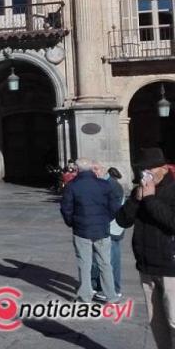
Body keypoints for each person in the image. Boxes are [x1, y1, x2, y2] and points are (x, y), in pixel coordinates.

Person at [117, 148, 175, 347]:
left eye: (147, 171)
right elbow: (123, 220)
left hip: (171, 268)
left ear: (163, 169)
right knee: (156, 322)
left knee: (174, 321)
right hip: (146, 266)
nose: (144, 175)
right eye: (141, 171)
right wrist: (136, 199)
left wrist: (150, 199)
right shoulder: (140, 190)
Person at [60, 159, 121, 303]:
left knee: (84, 263)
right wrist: (105, 220)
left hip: (82, 229)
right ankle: (111, 295)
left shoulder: (72, 186)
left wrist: (71, 222)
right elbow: (114, 207)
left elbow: (66, 208)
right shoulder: (104, 185)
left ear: (77, 169)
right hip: (102, 229)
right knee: (105, 262)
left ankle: (85, 296)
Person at [92, 166, 125, 301]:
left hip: (111, 229)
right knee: (103, 258)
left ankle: (114, 290)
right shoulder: (109, 184)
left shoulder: (112, 185)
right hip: (110, 227)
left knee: (111, 260)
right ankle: (99, 286)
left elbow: (114, 210)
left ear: (97, 171)